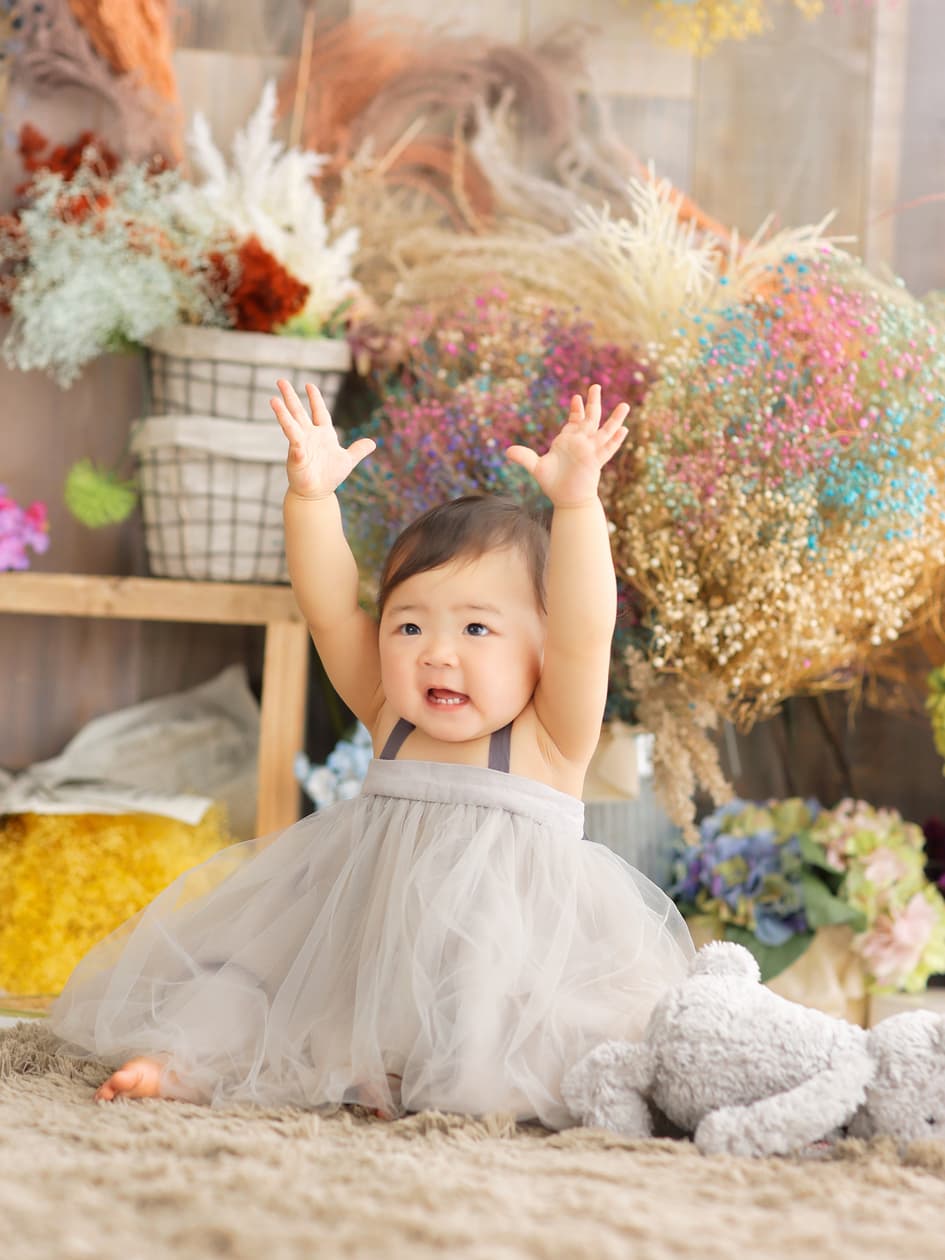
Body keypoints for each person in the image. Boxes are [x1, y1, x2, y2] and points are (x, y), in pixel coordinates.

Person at [49, 380, 694, 1129]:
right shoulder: (390, 712)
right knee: (249, 979)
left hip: (500, 977)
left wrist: (577, 505)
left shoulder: (550, 735)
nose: (437, 654)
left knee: (554, 1040)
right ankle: (185, 1065)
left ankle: (439, 1080)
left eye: (476, 629)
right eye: (409, 626)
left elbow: (587, 630)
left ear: (541, 649)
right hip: (365, 956)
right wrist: (312, 498)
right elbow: (328, 608)